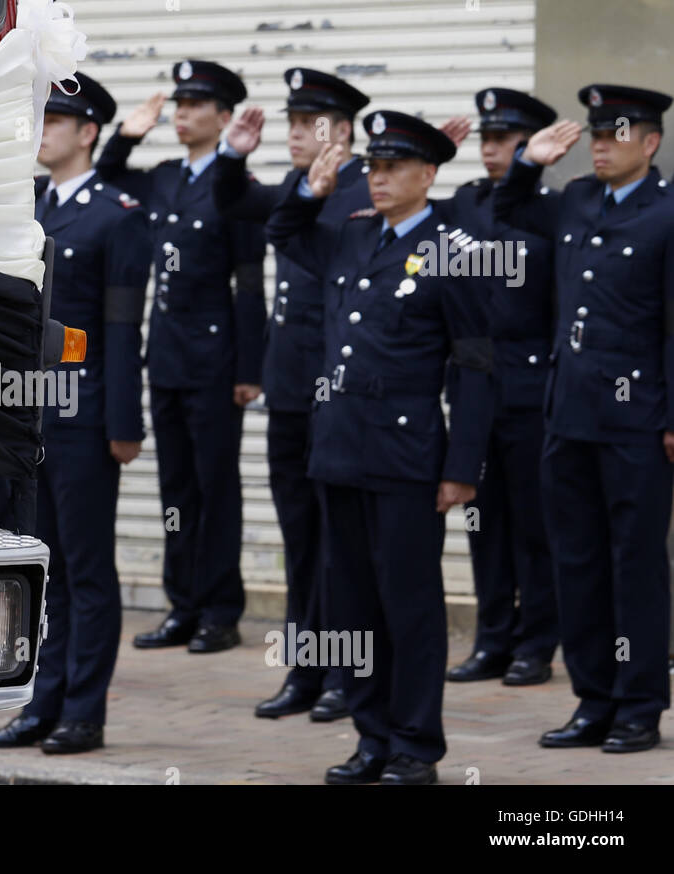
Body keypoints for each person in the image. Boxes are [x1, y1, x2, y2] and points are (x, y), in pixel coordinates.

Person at [267, 111, 496, 784]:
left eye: (394, 168)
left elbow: (476, 366)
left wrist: (463, 468)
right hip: (338, 450)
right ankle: (370, 739)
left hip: (405, 459)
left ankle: (414, 747)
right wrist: (311, 188)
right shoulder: (351, 236)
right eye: (373, 167)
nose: (380, 178)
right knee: (351, 607)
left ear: (428, 174)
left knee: (410, 607)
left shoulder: (453, 249)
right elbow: (282, 231)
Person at [495, 84, 674, 754]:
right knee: (578, 563)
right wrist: (527, 162)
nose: (600, 146)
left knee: (635, 566)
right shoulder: (574, 200)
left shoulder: (667, 213)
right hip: (567, 416)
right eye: (594, 136)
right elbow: (506, 210)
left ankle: (639, 706)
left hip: (637, 420)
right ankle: (592, 700)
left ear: (649, 142)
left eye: (614, 135)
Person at [0, 72, 151, 755]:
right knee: (40, 566)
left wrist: (123, 425)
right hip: (28, 414)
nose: (42, 130)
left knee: (87, 569)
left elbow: (121, 328)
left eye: (56, 121)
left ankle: (84, 711)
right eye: (40, 119)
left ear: (88, 133)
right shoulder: (27, 206)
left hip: (82, 418)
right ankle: (41, 701)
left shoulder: (117, 214)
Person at [213, 67, 371, 722]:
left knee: (342, 543)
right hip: (288, 391)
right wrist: (231, 154)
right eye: (293, 123)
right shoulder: (294, 187)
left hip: (338, 397)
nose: (296, 134)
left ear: (343, 130)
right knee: (301, 539)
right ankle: (305, 672)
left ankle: (345, 674)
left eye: (309, 124)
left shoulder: (367, 191)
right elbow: (230, 200)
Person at [97, 59, 267, 654]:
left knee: (214, 485)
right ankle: (182, 604)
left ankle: (220, 609)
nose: (183, 115)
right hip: (165, 355)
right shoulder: (165, 177)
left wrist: (251, 368)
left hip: (217, 360)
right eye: (180, 105)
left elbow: (250, 281)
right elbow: (107, 180)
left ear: (224, 118)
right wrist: (128, 132)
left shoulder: (233, 183)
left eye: (197, 106)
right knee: (176, 489)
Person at [440, 89, 560, 687]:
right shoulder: (462, 203)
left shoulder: (553, 209)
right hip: (473, 386)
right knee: (483, 523)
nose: (490, 150)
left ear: (531, 144)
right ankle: (492, 639)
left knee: (534, 523)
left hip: (532, 385)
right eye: (484, 140)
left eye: (503, 140)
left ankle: (536, 644)